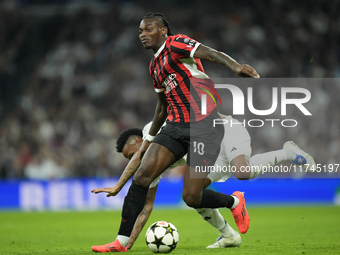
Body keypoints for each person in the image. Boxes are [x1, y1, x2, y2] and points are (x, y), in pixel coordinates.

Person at [91, 12, 261, 252]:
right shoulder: (154, 67)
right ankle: (120, 242)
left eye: (149, 29)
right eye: (140, 31)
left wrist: (235, 67)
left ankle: (234, 201)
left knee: (191, 197)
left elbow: (211, 52)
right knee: (141, 177)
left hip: (205, 125)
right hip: (175, 125)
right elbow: (162, 106)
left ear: (163, 31)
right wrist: (149, 140)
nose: (143, 34)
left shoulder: (176, 43)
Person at [92, 114, 316, 249]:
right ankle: (229, 236)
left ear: (141, 140)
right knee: (192, 196)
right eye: (130, 159)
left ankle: (287, 152)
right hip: (207, 153)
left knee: (243, 172)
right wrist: (128, 242)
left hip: (224, 130)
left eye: (133, 154)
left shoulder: (154, 130)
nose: (135, 159)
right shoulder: (153, 166)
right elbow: (146, 207)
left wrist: (118, 185)